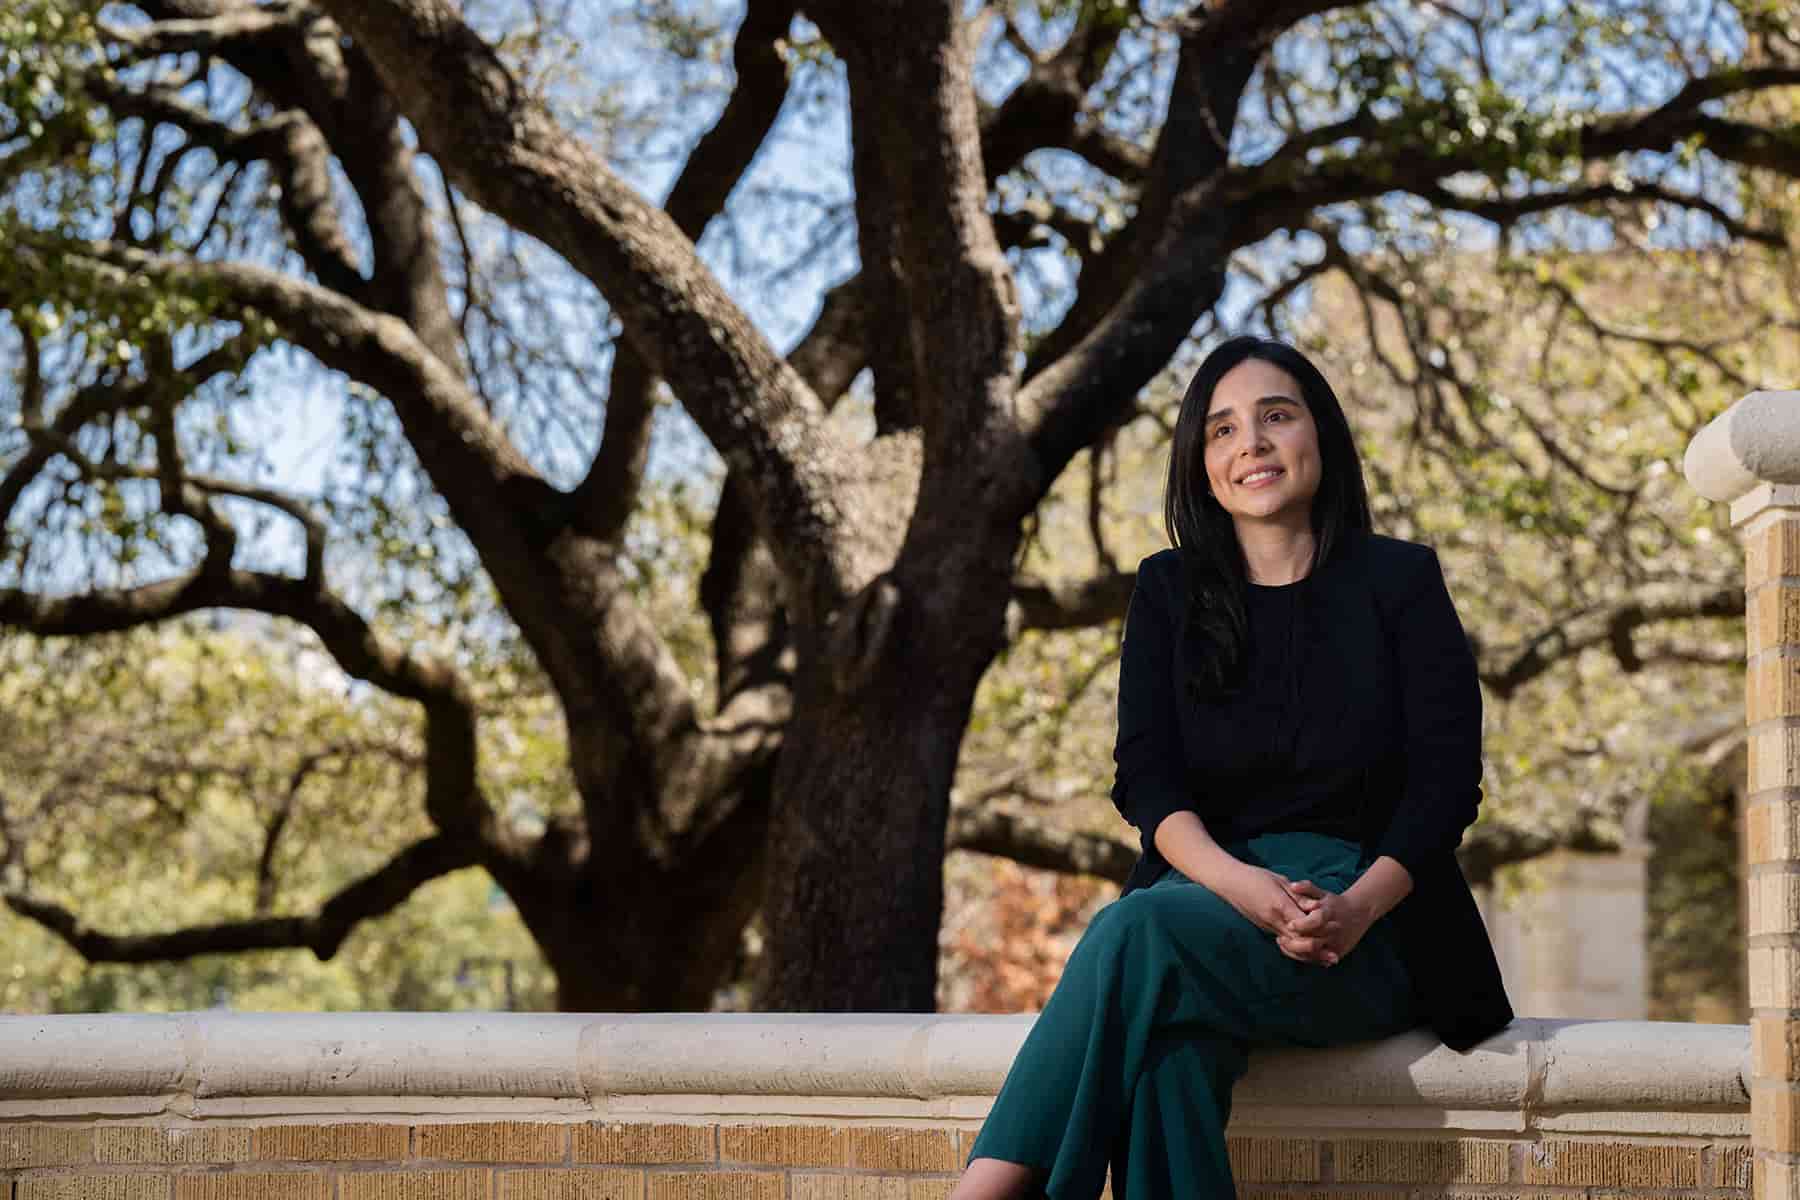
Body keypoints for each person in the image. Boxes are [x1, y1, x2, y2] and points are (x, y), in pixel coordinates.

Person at [948, 336, 1513, 1200]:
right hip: (1208, 904)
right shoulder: (1169, 591)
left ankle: (985, 1192)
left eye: (1275, 416)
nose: (1249, 443)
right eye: (1221, 429)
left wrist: (1356, 909)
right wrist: (1239, 885)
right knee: (1169, 1051)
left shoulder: (1401, 581)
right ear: (1201, 463)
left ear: (1318, 434)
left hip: (1371, 928)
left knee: (1131, 934)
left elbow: (1445, 786)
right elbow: (1145, 778)